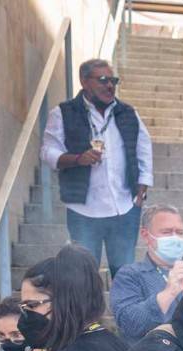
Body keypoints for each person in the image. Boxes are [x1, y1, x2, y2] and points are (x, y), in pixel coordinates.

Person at [40, 59, 153, 279]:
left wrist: (142, 189)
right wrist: (76, 159)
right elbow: (47, 151)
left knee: (124, 274)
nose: (110, 85)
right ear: (84, 81)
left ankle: (124, 314)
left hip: (124, 207)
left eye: (113, 80)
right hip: (84, 209)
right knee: (83, 274)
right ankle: (86, 314)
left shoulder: (127, 112)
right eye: (103, 80)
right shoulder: (63, 113)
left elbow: (144, 148)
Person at [110, 204, 183, 344]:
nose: (175, 238)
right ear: (146, 235)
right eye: (166, 232)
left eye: (179, 232)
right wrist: (169, 293)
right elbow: (129, 325)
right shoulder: (130, 275)